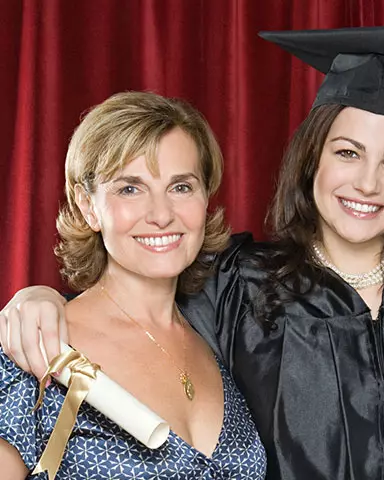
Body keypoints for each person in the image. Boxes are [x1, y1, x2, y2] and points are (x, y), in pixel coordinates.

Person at [0, 28, 384, 479]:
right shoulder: (238, 286)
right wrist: (36, 297)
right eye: (347, 152)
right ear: (312, 159)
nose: (368, 183)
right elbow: (131, 284)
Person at [0, 91, 266, 479]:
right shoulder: (35, 348)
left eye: (181, 187)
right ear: (88, 205)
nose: (161, 214)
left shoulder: (221, 337)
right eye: (129, 188)